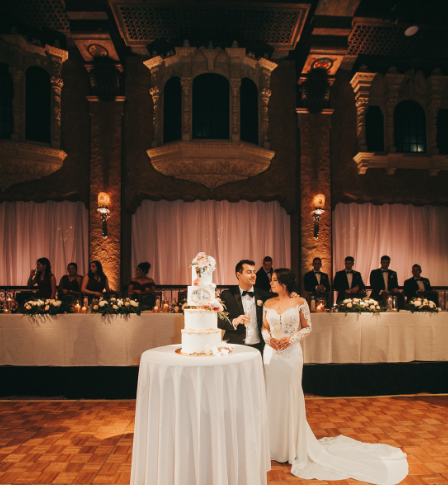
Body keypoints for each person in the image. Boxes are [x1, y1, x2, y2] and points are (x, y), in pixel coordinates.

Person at [262, 268, 408, 483]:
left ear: (284, 282)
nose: (271, 283)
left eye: (274, 280)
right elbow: (264, 328)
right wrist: (270, 340)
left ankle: (291, 444)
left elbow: (307, 328)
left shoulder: (300, 301)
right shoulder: (268, 303)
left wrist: (290, 340)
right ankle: (272, 444)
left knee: (290, 395)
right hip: (271, 356)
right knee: (271, 396)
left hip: (291, 355)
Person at [219, 260, 272, 353]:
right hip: (234, 344)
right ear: (238, 275)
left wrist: (292, 294)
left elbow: (281, 297)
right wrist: (234, 321)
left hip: (259, 345)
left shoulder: (264, 295)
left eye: (254, 272)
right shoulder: (227, 295)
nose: (253, 275)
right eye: (249, 272)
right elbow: (218, 320)